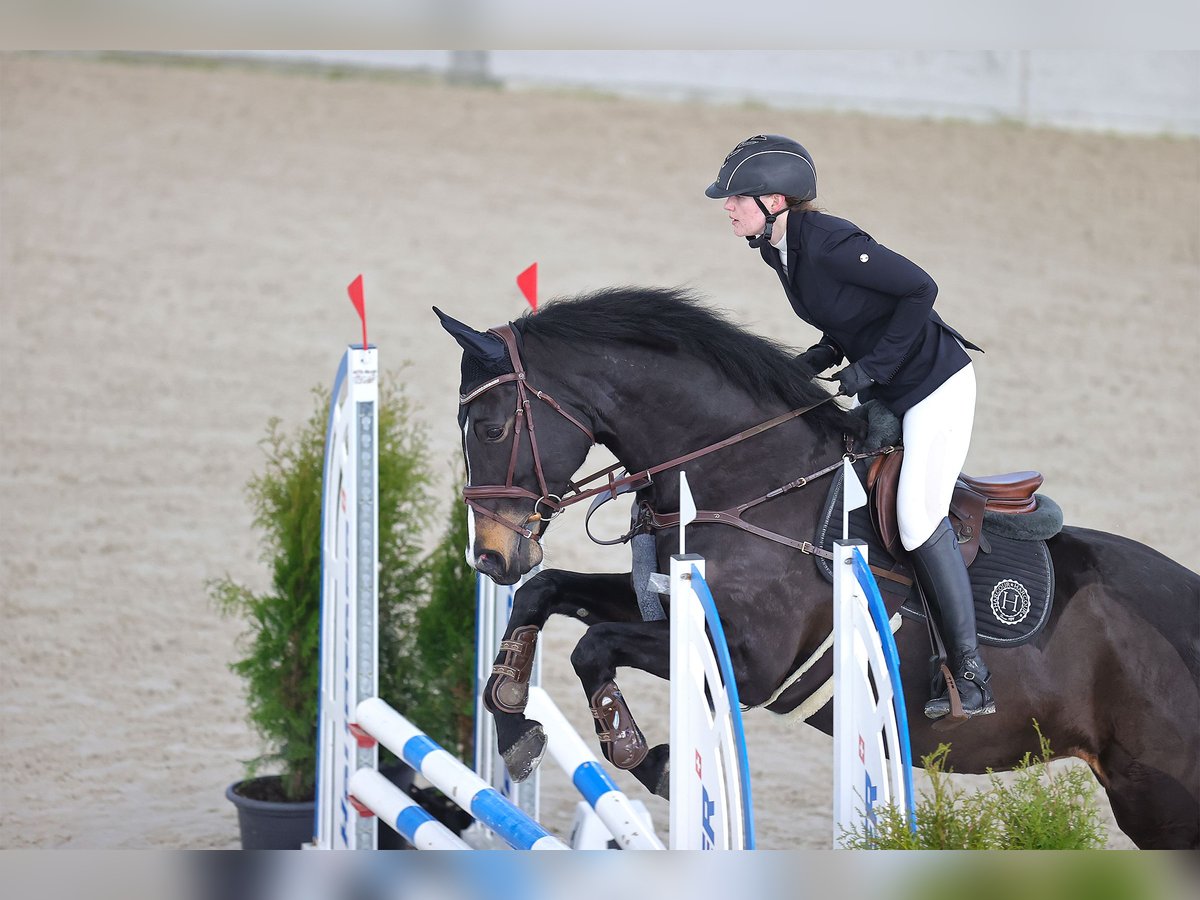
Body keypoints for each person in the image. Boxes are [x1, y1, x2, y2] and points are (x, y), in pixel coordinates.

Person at [705, 134, 994, 721]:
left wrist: (876, 367)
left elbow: (920, 289)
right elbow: (850, 315)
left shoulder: (831, 241)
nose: (728, 207)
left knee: (917, 518)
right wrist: (807, 365)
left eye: (738, 198)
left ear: (777, 201)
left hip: (934, 387)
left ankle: (970, 671)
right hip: (891, 386)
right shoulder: (776, 249)